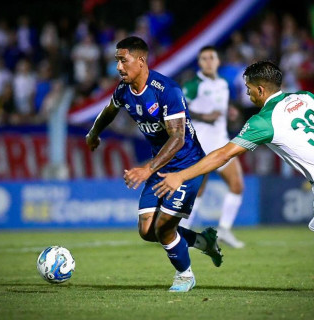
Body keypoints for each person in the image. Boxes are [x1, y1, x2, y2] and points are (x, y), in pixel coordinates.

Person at [154, 61, 314, 292]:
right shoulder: (303, 97)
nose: (247, 94)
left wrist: (181, 175)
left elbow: (223, 155)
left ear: (261, 90)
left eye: (249, 89)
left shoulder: (263, 121)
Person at [85, 36, 223, 292]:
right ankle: (205, 242)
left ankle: (185, 275)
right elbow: (109, 110)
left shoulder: (166, 90)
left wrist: (147, 168)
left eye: (123, 61)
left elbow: (178, 138)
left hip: (187, 167)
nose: (118, 67)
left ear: (141, 60)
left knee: (163, 228)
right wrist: (94, 133)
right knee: (147, 230)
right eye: (117, 61)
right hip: (160, 167)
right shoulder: (124, 90)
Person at [180, 46, 245, 248]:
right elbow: (180, 108)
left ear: (218, 61)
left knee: (237, 185)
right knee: (198, 189)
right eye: (204, 58)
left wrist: (231, 112)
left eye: (211, 58)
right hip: (200, 142)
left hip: (221, 141)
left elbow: (222, 109)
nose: (208, 61)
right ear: (199, 63)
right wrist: (203, 116)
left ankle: (224, 229)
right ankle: (181, 229)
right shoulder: (194, 84)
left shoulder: (224, 84)